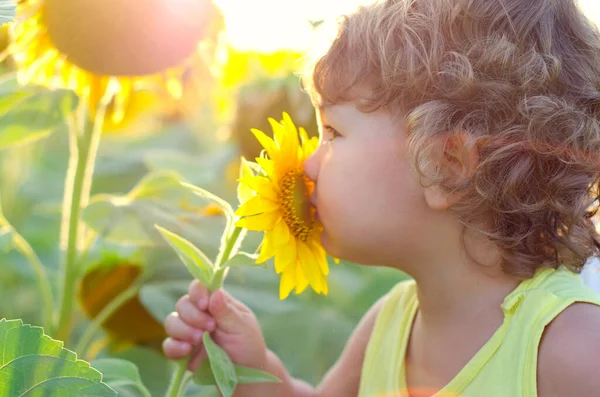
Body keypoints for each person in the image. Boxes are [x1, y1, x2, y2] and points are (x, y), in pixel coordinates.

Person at [163, 0, 600, 396]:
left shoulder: (571, 350)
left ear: (444, 166)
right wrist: (250, 369)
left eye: (332, 132)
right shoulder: (389, 324)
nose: (308, 166)